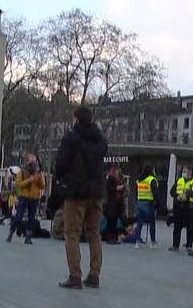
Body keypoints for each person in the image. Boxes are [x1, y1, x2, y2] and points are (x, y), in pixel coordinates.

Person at [54, 106, 108, 289]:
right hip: (96, 192)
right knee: (94, 233)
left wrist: (61, 178)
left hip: (76, 191)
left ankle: (75, 275)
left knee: (72, 233)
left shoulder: (71, 137)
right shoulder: (100, 139)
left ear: (76, 119)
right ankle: (94, 274)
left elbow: (61, 163)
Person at [7, 153, 45, 244]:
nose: (33, 162)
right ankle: (11, 233)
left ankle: (28, 237)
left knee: (31, 219)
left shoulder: (39, 172)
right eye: (31, 160)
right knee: (18, 217)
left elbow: (43, 186)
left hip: (34, 198)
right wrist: (30, 180)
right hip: (24, 197)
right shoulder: (22, 171)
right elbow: (19, 184)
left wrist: (39, 180)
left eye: (35, 160)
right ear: (27, 161)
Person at [131, 164, 159, 250]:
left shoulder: (139, 180)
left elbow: (136, 192)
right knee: (152, 223)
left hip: (140, 202)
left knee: (139, 223)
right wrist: (157, 203)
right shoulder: (151, 180)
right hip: (149, 203)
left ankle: (137, 242)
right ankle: (153, 242)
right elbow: (155, 193)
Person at [169, 165, 193, 252]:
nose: (184, 173)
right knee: (177, 226)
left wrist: (186, 196)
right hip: (178, 205)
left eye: (186, 171)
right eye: (183, 171)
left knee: (190, 226)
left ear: (190, 173)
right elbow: (172, 191)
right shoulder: (179, 180)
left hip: (189, 206)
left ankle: (189, 245)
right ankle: (175, 245)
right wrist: (177, 196)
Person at [103, 166, 126, 244]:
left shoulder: (119, 180)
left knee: (115, 221)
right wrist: (117, 188)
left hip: (117, 204)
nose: (118, 173)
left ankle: (114, 237)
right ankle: (110, 237)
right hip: (111, 203)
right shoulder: (110, 179)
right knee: (111, 221)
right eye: (116, 172)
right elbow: (110, 189)